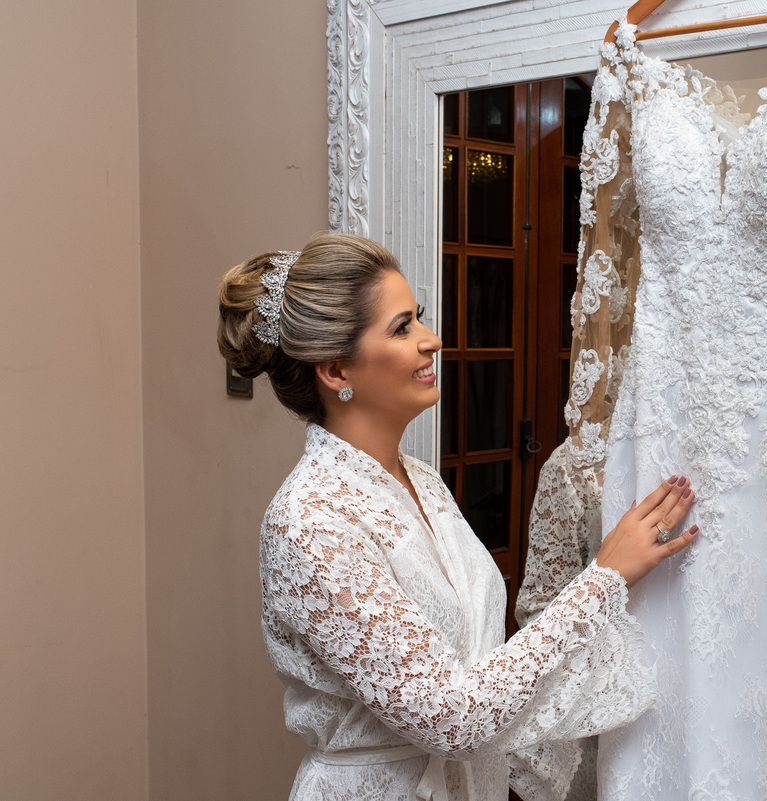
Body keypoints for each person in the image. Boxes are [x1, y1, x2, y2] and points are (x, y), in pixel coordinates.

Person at [216, 233, 700, 801]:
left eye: (418, 319)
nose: (432, 340)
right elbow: (452, 717)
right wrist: (604, 579)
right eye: (402, 328)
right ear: (336, 371)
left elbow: (479, 664)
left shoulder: (421, 481)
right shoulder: (310, 523)